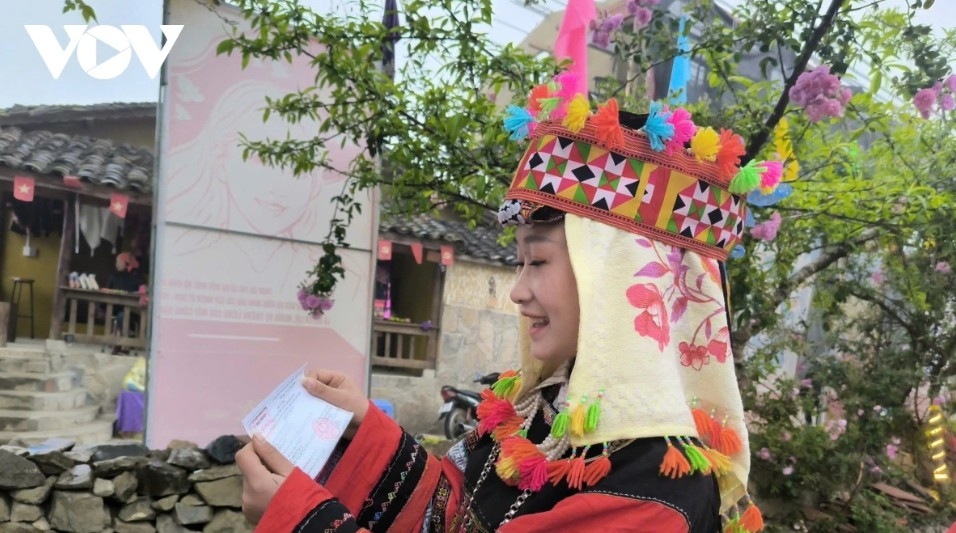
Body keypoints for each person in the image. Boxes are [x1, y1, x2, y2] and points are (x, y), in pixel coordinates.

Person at [236, 74, 771, 532]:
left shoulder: (658, 487)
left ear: (621, 280)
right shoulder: (538, 412)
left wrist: (300, 520)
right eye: (519, 264)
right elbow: (453, 516)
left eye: (537, 262)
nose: (517, 291)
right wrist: (363, 428)